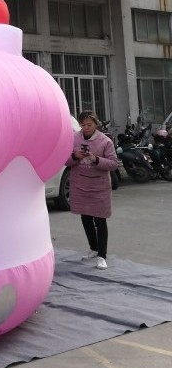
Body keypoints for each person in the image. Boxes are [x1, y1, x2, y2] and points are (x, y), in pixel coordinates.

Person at [67, 111, 119, 268]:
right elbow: (65, 161)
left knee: (100, 219)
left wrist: (95, 159)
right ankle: (93, 248)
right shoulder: (74, 138)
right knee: (86, 217)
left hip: (98, 186)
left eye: (89, 125)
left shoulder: (105, 141)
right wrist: (76, 156)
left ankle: (102, 255)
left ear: (96, 124)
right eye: (82, 125)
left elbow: (113, 164)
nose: (85, 128)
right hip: (80, 184)